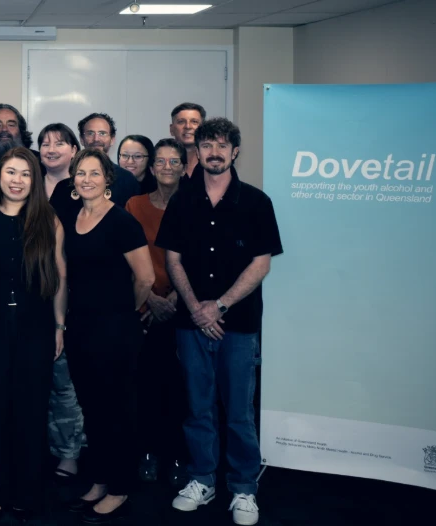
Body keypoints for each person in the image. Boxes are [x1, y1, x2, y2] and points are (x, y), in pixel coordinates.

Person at [157, 118, 282, 526]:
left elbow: (261, 264)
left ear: (235, 152)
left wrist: (220, 307)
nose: (214, 152)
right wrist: (197, 308)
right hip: (190, 323)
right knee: (197, 407)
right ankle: (202, 479)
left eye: (222, 145)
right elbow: (172, 259)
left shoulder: (257, 202)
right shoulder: (182, 201)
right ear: (197, 151)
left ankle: (244, 487)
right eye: (207, 145)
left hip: (238, 325)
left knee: (239, 411)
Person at [0, 147, 66, 520]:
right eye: (10, 172)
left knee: (30, 410)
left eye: (25, 173)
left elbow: (59, 277)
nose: (17, 180)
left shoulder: (49, 221)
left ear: (34, 180)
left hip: (35, 328)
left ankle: (27, 490)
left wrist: (59, 325)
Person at [62, 149, 155, 524]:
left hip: (115, 332)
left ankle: (120, 487)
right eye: (80, 173)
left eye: (94, 173)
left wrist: (122, 312)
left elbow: (145, 278)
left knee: (117, 411)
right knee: (93, 410)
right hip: (80, 329)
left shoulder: (122, 222)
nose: (86, 179)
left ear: (107, 180)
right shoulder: (73, 218)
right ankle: (100, 479)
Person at [126, 138, 190, 485]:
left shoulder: (196, 204)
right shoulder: (134, 205)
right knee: (146, 386)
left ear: (184, 167)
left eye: (174, 161)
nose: (167, 167)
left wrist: (177, 299)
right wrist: (150, 299)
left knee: (180, 388)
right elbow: (124, 256)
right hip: (145, 308)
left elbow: (200, 257)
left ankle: (178, 455)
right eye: (160, 161)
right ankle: (148, 452)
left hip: (184, 309)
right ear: (151, 168)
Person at [37, 122, 87, 481]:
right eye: (45, 143)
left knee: (64, 381)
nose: (51, 149)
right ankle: (38, 447)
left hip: (69, 295)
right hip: (30, 294)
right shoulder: (28, 182)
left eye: (59, 143)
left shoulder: (81, 187)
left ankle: (70, 453)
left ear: (74, 149)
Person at [169, 102, 206, 177]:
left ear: (204, 128)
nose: (188, 126)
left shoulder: (212, 163)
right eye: (181, 122)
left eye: (194, 122)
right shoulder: (161, 166)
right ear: (171, 129)